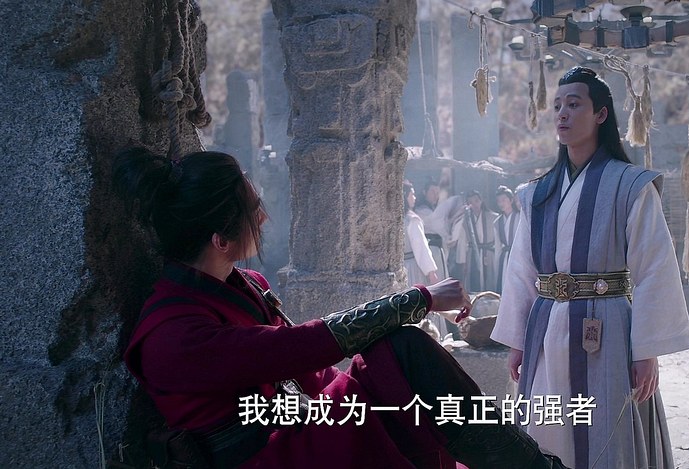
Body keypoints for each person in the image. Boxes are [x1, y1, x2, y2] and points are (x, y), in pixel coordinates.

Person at [113, 147, 567, 469]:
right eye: (254, 209)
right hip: (269, 455)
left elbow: (313, 374)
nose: (264, 217)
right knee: (404, 353)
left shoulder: (247, 286)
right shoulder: (172, 333)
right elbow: (295, 349)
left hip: (305, 428)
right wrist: (420, 299)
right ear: (220, 239)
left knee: (399, 355)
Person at [491, 67, 689, 469]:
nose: (562, 114)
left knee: (604, 426)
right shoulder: (537, 193)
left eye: (574, 104)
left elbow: (653, 268)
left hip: (606, 327)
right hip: (546, 324)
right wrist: (517, 340)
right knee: (547, 424)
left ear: (601, 114)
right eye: (557, 106)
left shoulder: (631, 186)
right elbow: (521, 270)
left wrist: (647, 351)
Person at [403, 180, 447, 338]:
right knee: (422, 305)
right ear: (405, 196)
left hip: (403, 267)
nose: (414, 198)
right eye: (412, 194)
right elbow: (421, 248)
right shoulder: (412, 220)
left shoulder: (396, 219)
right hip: (415, 267)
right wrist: (431, 272)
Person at [450, 190, 498, 293]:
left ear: (481, 201)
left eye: (476, 201)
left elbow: (498, 240)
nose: (474, 204)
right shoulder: (466, 220)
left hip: (488, 254)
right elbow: (462, 242)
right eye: (470, 202)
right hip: (472, 255)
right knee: (474, 282)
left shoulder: (494, 217)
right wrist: (462, 262)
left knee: (490, 281)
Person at [493, 185, 520, 293]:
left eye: (503, 200)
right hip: (504, 257)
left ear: (511, 200)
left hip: (518, 255)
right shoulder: (497, 222)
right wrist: (497, 263)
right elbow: (498, 247)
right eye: (498, 201)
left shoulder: (520, 217)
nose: (501, 203)